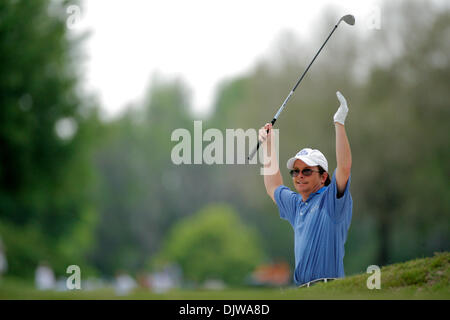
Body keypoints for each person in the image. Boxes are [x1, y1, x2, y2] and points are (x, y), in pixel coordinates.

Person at [259, 91, 353, 287]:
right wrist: (268, 145)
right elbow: (273, 186)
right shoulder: (296, 205)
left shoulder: (331, 200)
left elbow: (344, 167)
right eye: (295, 171)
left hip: (330, 289)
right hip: (302, 292)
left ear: (323, 176)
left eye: (307, 171)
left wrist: (339, 123)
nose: (299, 176)